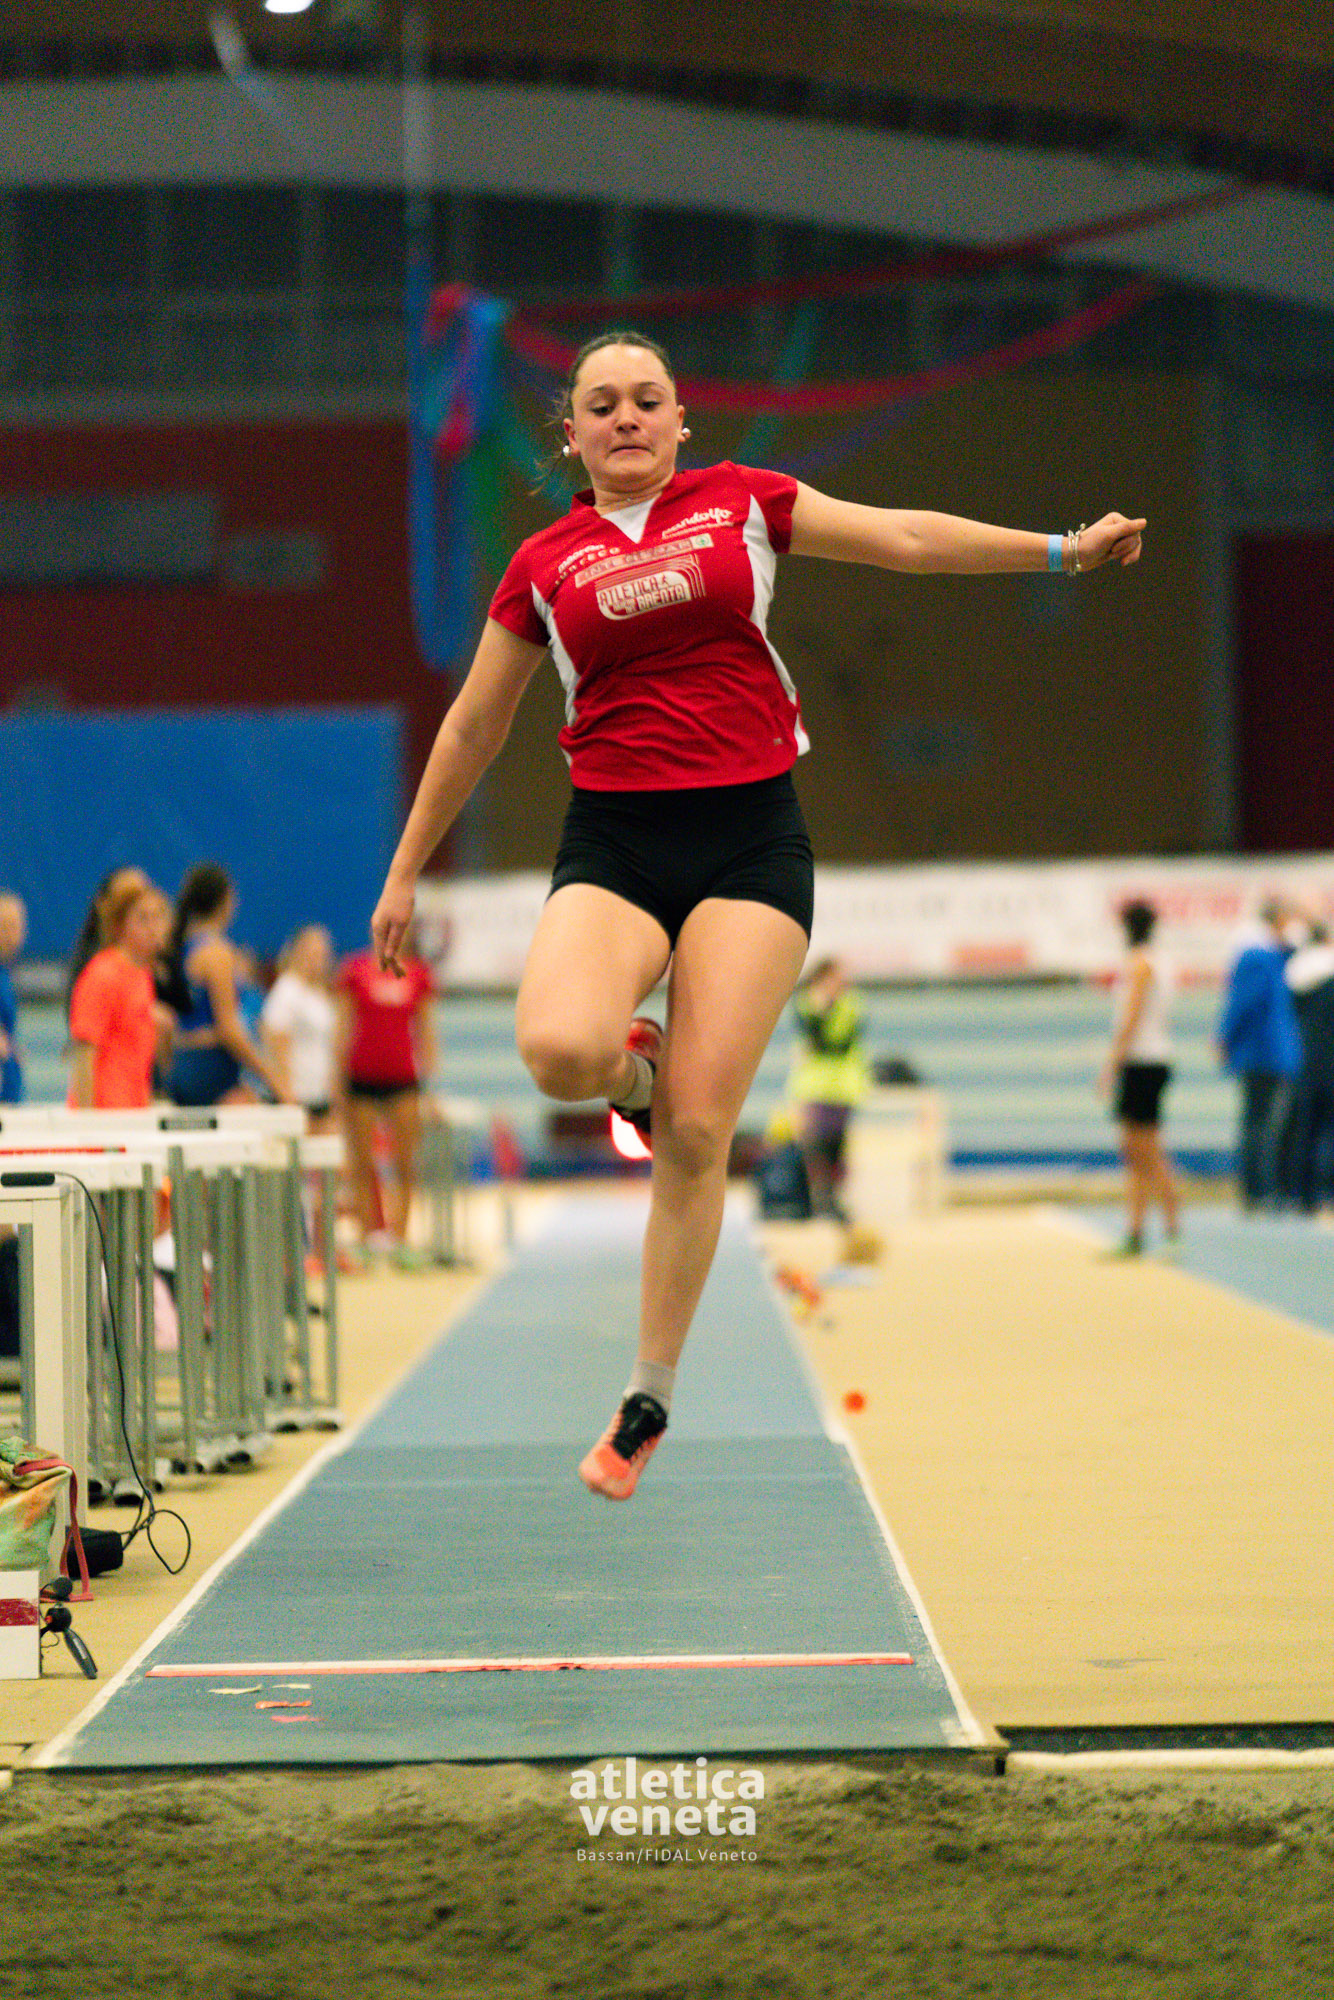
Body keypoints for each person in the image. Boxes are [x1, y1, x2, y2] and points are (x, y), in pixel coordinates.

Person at [369, 328, 1146, 1502]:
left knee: (695, 1130)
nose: (625, 418)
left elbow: (903, 538)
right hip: (617, 841)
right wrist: (403, 870)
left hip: (747, 840)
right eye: (601, 404)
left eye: (646, 399)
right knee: (560, 1050)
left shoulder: (740, 501)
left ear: (681, 421)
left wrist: (1059, 550)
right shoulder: (542, 562)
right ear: (569, 433)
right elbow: (475, 723)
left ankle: (645, 1395)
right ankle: (632, 1071)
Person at [335, 928, 436, 1267]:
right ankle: (366, 1238)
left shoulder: (418, 973)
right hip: (361, 1077)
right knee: (363, 1162)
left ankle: (401, 1240)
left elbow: (426, 1030)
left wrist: (430, 1086)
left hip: (403, 1079)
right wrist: (337, 1080)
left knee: (404, 1162)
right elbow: (344, 1026)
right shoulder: (355, 970)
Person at [164, 864, 287, 1107]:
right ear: (225, 902)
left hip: (183, 1064)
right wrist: (276, 1082)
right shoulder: (217, 953)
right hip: (209, 1067)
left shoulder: (179, 948)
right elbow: (228, 1028)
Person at [1099, 899, 1180, 1255]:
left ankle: (1173, 1229)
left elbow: (1131, 1018)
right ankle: (1135, 1231)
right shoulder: (1156, 962)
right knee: (1134, 1152)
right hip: (1148, 1060)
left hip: (1143, 1062)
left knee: (1148, 1151)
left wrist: (1111, 1064)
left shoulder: (1141, 964)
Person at [1217, 897, 1303, 1210]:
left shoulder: (1272, 954)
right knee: (1260, 1124)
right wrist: (1225, 1035)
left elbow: (1241, 1002)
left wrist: (1224, 1036)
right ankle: (1258, 1190)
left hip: (1267, 1051)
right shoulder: (1259, 955)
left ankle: (1260, 1190)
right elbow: (1243, 1002)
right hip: (1262, 1051)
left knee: (1261, 1123)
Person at [67, 880, 174, 1108]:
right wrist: (87, 1120)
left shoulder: (143, 974)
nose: (153, 928)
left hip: (132, 1112)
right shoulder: (102, 974)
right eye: (142, 919)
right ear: (119, 925)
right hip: (105, 1113)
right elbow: (84, 1052)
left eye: (158, 917)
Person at [787, 956, 869, 1222]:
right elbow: (810, 1037)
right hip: (813, 1087)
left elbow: (837, 1042)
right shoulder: (805, 1003)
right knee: (814, 1144)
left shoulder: (852, 1003)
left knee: (837, 1146)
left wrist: (825, 1011)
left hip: (843, 1085)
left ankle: (834, 1199)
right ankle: (819, 1198)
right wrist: (819, 1010)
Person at [262, 926, 338, 1131]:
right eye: (312, 954)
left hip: (319, 1093)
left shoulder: (319, 993)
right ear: (297, 952)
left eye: (322, 955)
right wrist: (286, 1092)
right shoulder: (286, 991)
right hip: (297, 1095)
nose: (318, 961)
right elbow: (276, 1043)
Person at [1284, 920, 1334, 1214]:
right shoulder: (1328, 972)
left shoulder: (1294, 972)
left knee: (1305, 1130)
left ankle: (1301, 1194)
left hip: (1303, 1061)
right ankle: (1326, 1191)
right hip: (1327, 1061)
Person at [0, 891, 27, 1104]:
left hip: (9, 1086)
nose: (11, 935)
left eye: (16, 927)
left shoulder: (6, 975)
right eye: (4, 927)